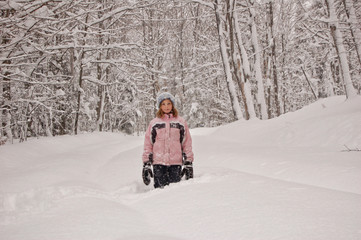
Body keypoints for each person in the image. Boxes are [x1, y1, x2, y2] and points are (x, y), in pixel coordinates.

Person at [142, 92, 194, 188]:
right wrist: (146, 163)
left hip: (175, 164)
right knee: (159, 193)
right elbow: (148, 143)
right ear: (160, 106)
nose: (166, 106)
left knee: (174, 193)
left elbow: (186, 142)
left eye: (169, 103)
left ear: (173, 105)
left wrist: (188, 162)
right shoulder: (154, 123)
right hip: (158, 163)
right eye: (163, 104)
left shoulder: (180, 122)